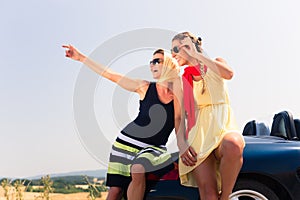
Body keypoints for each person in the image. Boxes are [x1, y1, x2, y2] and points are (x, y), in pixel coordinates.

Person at [62, 45, 186, 200]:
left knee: (138, 169)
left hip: (154, 148)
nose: (152, 64)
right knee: (115, 191)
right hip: (124, 145)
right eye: (151, 61)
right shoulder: (144, 87)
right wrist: (81, 58)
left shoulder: (178, 91)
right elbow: (110, 75)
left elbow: (178, 119)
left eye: (157, 61)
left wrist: (183, 145)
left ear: (169, 64)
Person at [170, 32, 245, 200]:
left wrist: (196, 55)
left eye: (178, 48)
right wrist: (181, 144)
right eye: (173, 49)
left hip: (222, 128)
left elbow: (229, 74)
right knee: (208, 195)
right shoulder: (180, 81)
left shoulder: (216, 63)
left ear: (192, 47)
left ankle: (226, 196)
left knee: (234, 144)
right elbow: (179, 117)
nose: (174, 53)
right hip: (198, 136)